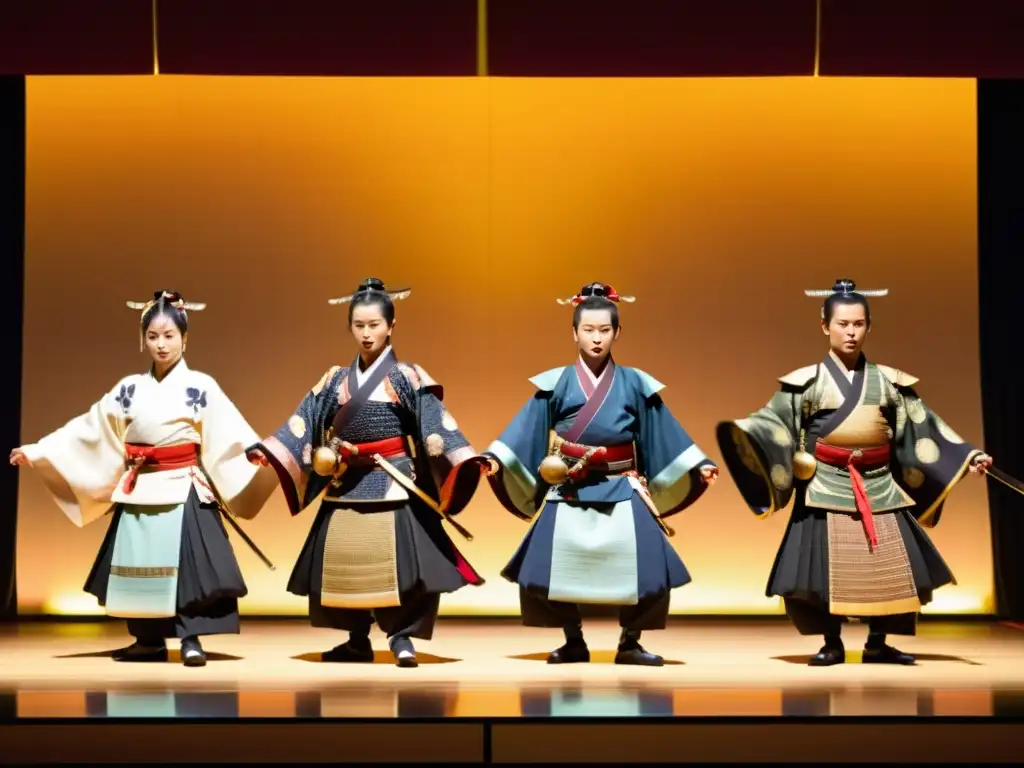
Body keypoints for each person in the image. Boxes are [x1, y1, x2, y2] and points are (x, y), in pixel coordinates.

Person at [715, 279, 993, 666]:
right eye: (843, 324)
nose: (850, 332)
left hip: (879, 482)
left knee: (891, 566)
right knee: (821, 569)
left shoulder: (890, 382)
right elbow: (773, 421)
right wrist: (748, 434)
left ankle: (878, 643)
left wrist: (969, 455)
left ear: (868, 326)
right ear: (825, 326)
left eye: (858, 324)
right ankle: (831, 641)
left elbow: (923, 425)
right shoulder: (806, 383)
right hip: (825, 481)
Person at [10, 290, 278, 666]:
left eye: (169, 336)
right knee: (140, 565)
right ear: (143, 339)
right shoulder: (128, 389)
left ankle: (191, 638)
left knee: (190, 568)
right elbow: (88, 429)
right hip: (142, 486)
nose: (161, 344)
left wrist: (254, 452)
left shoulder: (200, 386)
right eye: (153, 336)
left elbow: (229, 429)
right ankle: (148, 640)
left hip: (181, 484)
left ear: (186, 338)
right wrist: (39, 451)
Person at [247, 278, 493, 668]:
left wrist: (464, 457)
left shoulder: (407, 376)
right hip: (346, 480)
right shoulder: (334, 380)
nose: (366, 333)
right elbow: (304, 420)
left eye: (374, 325)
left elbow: (434, 427)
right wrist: (270, 449)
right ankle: (356, 639)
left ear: (391, 326)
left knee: (408, 565)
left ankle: (404, 638)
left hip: (394, 478)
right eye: (359, 325)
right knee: (345, 562)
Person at [485, 282, 718, 666]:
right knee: (542, 566)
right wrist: (497, 457)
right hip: (570, 485)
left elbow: (663, 429)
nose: (596, 339)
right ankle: (572, 639)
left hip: (621, 484)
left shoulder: (635, 383)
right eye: (588, 330)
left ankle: (630, 642)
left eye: (604, 330)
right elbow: (525, 428)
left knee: (650, 569)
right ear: (573, 332)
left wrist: (697, 463)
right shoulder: (556, 383)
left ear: (617, 332)